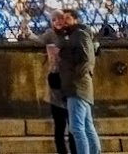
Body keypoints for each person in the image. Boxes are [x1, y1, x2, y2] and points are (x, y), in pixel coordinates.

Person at [57, 9, 101, 154]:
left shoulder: (80, 34)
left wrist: (74, 78)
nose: (64, 21)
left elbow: (87, 60)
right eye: (63, 19)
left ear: (76, 20)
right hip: (77, 86)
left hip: (77, 87)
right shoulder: (72, 35)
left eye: (68, 18)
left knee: (77, 128)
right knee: (87, 126)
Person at [39, 10, 76, 154]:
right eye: (54, 20)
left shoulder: (70, 34)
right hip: (56, 79)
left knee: (73, 123)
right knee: (59, 123)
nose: (57, 22)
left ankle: (74, 149)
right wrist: (26, 31)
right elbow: (39, 41)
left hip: (69, 81)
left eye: (60, 19)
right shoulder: (50, 34)